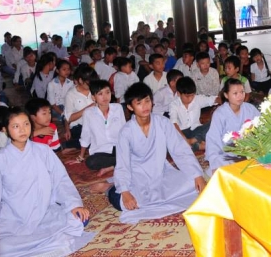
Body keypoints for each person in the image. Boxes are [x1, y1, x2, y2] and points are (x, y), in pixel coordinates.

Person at [0, 108, 93, 257]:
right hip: (14, 219)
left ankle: (38, 242)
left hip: (45, 213)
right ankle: (45, 243)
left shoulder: (44, 151)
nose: (22, 130)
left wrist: (73, 205)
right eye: (16, 126)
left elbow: (61, 181)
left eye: (26, 124)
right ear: (5, 130)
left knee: (78, 219)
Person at [90, 83, 205, 224]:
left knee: (194, 186)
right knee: (126, 203)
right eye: (139, 103)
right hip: (137, 177)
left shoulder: (163, 123)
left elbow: (180, 150)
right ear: (130, 107)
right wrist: (125, 192)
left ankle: (118, 186)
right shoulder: (126, 132)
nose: (145, 106)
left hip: (161, 173)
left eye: (147, 101)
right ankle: (109, 188)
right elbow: (123, 165)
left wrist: (197, 175)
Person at [206, 78, 261, 172]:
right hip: (228, 154)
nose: (240, 96)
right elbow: (213, 139)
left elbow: (261, 128)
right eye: (235, 93)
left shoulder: (250, 109)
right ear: (226, 95)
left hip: (249, 152)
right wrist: (214, 162)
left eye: (242, 92)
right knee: (222, 166)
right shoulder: (219, 113)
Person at [77, 80, 126, 175]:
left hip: (118, 147)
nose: (105, 96)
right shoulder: (88, 113)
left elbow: (124, 130)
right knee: (91, 162)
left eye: (107, 92)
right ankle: (122, 162)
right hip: (101, 150)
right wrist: (81, 157)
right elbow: (85, 136)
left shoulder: (118, 108)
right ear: (93, 97)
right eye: (100, 94)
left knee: (135, 151)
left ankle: (112, 166)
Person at [169, 77, 218, 152]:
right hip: (183, 132)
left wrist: (225, 98)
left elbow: (213, 99)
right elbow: (174, 124)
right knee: (172, 143)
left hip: (197, 130)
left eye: (192, 95)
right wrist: (184, 139)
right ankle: (198, 145)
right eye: (187, 96)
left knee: (216, 121)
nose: (190, 98)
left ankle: (194, 142)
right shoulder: (174, 105)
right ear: (178, 93)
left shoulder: (197, 99)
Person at [63, 64, 98, 149]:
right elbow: (69, 118)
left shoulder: (95, 90)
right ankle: (70, 145)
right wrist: (88, 108)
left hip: (95, 124)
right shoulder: (71, 94)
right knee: (95, 139)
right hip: (79, 126)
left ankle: (80, 143)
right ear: (80, 80)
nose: (91, 85)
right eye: (89, 82)